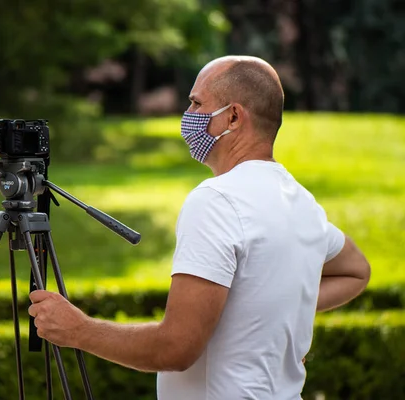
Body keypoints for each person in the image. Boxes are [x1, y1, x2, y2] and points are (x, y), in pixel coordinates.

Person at [28, 55, 371, 399]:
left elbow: (175, 349)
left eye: (196, 103)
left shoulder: (217, 200)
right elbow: (357, 271)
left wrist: (79, 330)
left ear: (234, 117)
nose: (187, 116)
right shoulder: (301, 202)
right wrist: (273, 311)